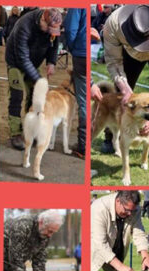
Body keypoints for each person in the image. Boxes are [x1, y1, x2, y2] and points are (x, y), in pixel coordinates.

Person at [102, 5, 149, 168]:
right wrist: (125, 88)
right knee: (119, 96)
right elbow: (113, 62)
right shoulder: (113, 24)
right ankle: (111, 135)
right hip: (127, 54)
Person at [5, 8, 62, 150]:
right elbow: (22, 58)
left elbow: (54, 45)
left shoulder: (52, 27)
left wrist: (51, 62)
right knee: (17, 95)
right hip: (16, 62)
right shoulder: (24, 25)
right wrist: (40, 81)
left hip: (33, 62)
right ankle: (16, 133)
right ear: (43, 19)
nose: (50, 32)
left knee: (35, 95)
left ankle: (30, 128)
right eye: (48, 29)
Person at [64, 8, 88, 159]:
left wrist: (73, 48)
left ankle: (83, 146)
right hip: (87, 51)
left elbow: (70, 29)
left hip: (80, 53)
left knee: (83, 102)